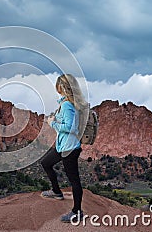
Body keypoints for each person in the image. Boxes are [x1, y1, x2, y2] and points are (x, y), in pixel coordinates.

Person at [40, 74, 87, 223]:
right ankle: (56, 191)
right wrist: (55, 119)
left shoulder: (67, 105)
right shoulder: (69, 103)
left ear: (63, 88)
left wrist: (52, 123)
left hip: (69, 148)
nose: (57, 89)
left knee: (74, 180)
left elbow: (70, 127)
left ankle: (77, 212)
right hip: (63, 146)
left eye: (58, 86)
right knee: (46, 163)